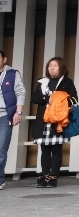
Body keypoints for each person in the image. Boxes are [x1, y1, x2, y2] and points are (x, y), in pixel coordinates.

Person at [31, 56, 77, 188]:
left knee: (56, 149)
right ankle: (44, 175)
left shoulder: (67, 82)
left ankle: (53, 176)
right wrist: (47, 98)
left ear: (61, 67)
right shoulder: (42, 82)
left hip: (58, 120)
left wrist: (60, 101)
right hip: (43, 120)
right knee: (44, 149)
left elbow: (74, 99)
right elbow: (34, 98)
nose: (51, 68)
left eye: (55, 66)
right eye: (50, 66)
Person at [0, 50, 26, 190]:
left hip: (4, 115)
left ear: (4, 59)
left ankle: (0, 180)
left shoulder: (12, 74)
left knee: (1, 149)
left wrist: (18, 112)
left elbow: (21, 93)